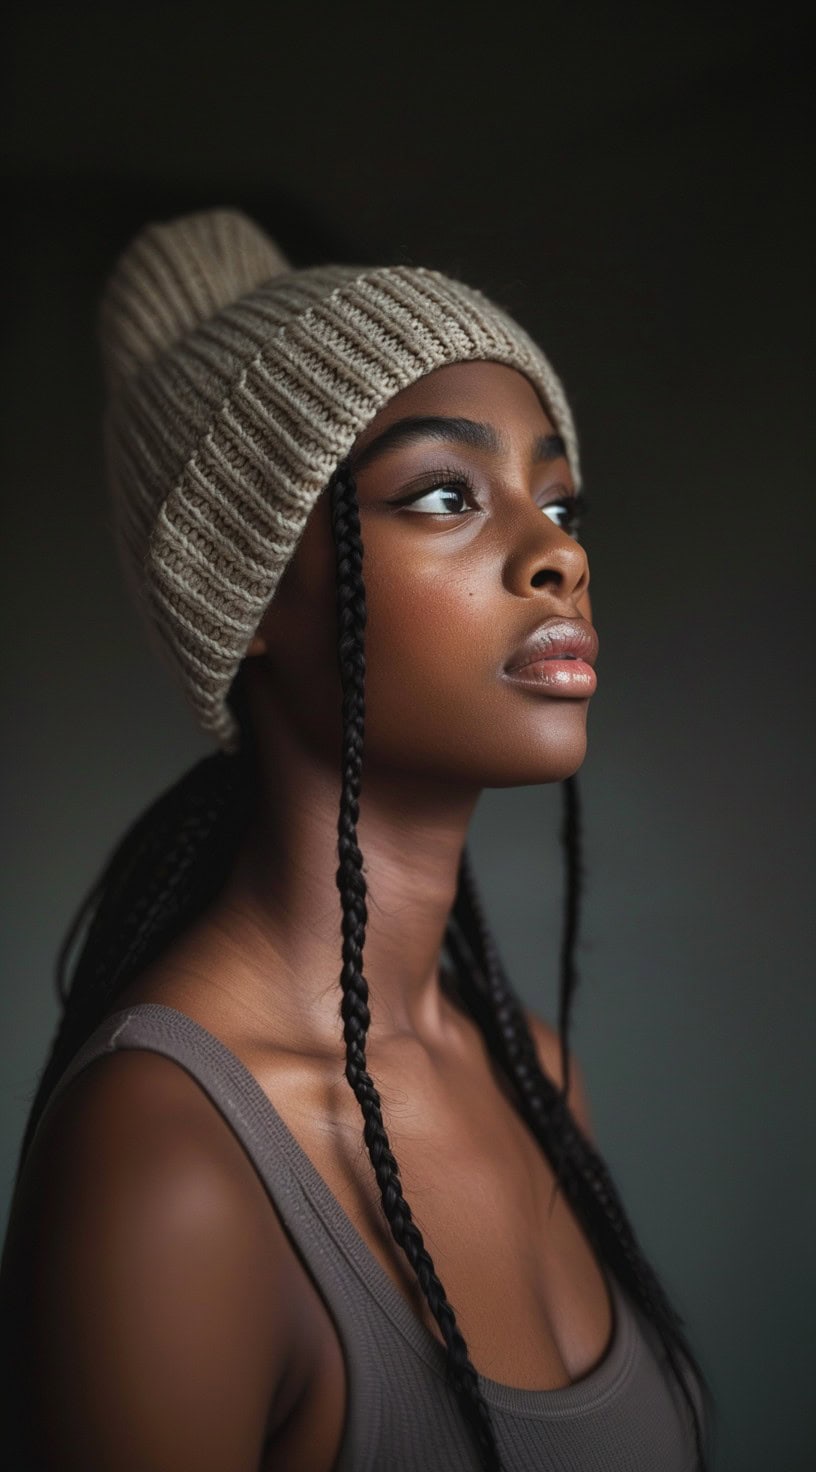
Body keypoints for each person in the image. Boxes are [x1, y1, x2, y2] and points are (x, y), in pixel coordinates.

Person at [0, 209, 711, 1471]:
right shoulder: (171, 1161)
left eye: (561, 500)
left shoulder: (534, 1072)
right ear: (252, 589)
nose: (557, 554)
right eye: (446, 492)